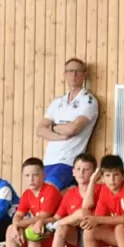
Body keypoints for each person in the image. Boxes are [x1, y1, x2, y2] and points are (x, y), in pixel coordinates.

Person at [40, 153, 101, 247]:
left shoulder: (101, 190)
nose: (81, 173)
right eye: (78, 169)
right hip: (76, 235)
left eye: (86, 170)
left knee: (82, 213)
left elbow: (86, 210)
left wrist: (57, 223)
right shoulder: (69, 193)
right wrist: (40, 222)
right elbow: (56, 217)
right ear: (73, 172)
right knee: (62, 228)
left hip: (94, 234)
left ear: (94, 173)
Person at [35, 58, 99, 191]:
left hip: (68, 161)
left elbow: (73, 128)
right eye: (70, 71)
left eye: (77, 71)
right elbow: (40, 130)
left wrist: (53, 127)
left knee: (48, 193)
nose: (73, 75)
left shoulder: (88, 101)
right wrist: (60, 135)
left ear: (84, 74)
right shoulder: (58, 102)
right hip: (49, 160)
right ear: (64, 75)